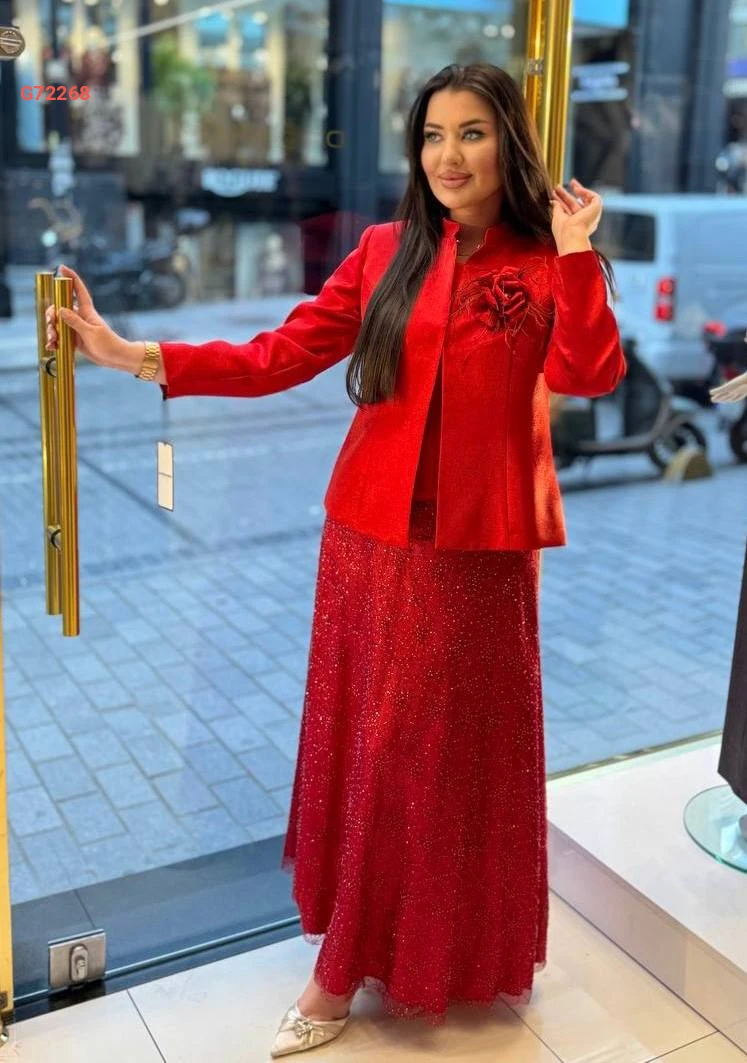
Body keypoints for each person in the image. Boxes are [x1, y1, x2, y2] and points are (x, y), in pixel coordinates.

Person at [46, 62, 625, 1060]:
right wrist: (133, 355)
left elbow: (589, 371)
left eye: (472, 133)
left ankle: (413, 952)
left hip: (477, 557)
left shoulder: (549, 260)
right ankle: (351, 955)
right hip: (368, 542)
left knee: (446, 753)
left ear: (511, 142)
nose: (448, 155)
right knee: (378, 747)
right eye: (433, 134)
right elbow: (280, 354)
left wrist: (576, 257)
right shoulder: (384, 251)